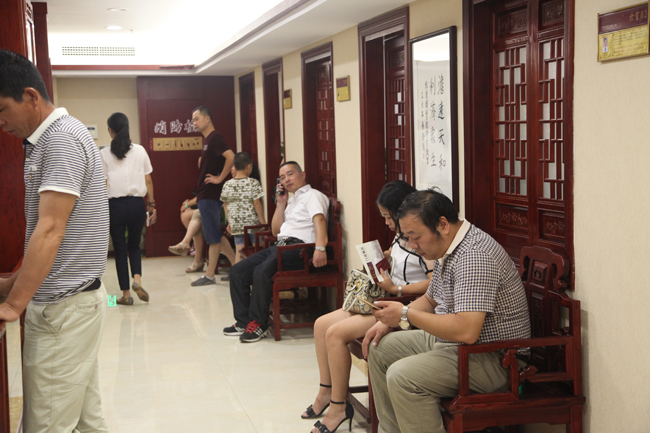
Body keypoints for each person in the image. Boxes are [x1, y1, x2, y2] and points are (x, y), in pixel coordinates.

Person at [0, 49, 109, 432]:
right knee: (86, 422)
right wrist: (10, 285)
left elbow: (50, 231)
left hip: (64, 310)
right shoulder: (53, 137)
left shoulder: (60, 140)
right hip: (74, 304)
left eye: (2, 110)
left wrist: (13, 304)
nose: (1, 122)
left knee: (45, 426)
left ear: (30, 96)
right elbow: (55, 237)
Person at [364, 189, 531, 433]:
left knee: (403, 377)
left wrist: (404, 314)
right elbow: (430, 300)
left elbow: (466, 331)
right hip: (458, 347)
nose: (413, 246)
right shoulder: (449, 246)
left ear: (442, 224)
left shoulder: (474, 255)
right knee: (380, 348)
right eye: (407, 238)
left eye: (415, 237)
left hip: (496, 358)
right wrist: (387, 322)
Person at [303, 181, 434, 433]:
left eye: (388, 216)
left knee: (335, 333)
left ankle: (339, 407)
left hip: (404, 304)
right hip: (387, 297)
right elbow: (396, 253)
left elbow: (432, 283)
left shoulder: (422, 238)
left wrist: (397, 288)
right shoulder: (402, 235)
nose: (386, 222)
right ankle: (325, 392)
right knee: (321, 325)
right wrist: (380, 257)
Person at [224, 161, 329, 343]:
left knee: (261, 271)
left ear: (303, 175)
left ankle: (259, 323)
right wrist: (281, 204)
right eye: (282, 177)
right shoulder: (292, 200)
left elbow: (319, 220)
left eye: (290, 174)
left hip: (301, 249)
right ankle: (243, 321)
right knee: (238, 270)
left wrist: (320, 248)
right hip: (281, 246)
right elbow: (275, 231)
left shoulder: (313, 195)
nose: (286, 180)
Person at [100, 112, 153, 305]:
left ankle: (125, 295)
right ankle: (137, 280)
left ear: (110, 130)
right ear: (128, 128)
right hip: (137, 204)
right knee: (135, 245)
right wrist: (152, 204)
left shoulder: (104, 153)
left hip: (115, 206)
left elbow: (103, 183)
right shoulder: (140, 150)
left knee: (120, 249)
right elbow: (148, 179)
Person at [188, 106, 235, 286]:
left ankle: (209, 275)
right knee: (215, 234)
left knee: (213, 236)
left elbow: (231, 157)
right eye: (193, 120)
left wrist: (220, 178)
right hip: (205, 194)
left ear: (207, 119)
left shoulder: (215, 137)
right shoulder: (208, 140)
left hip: (210, 194)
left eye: (197, 118)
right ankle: (236, 267)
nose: (194, 122)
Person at [220, 151, 267, 267]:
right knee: (259, 250)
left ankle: (237, 274)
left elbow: (225, 204)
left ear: (235, 167)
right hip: (253, 224)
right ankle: (258, 273)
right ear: (249, 166)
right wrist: (263, 222)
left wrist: (230, 222)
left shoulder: (227, 184)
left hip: (236, 223)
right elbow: (256, 203)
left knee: (239, 252)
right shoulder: (253, 183)